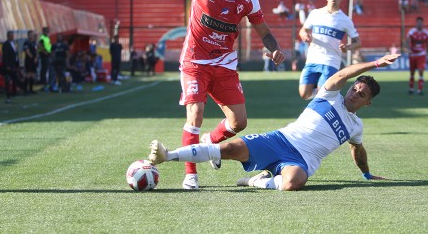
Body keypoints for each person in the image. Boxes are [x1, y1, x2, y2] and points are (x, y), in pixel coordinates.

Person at [120, 0, 285, 189]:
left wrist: (276, 49)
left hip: (225, 65)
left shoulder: (248, 0)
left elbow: (264, 32)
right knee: (195, 114)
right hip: (195, 62)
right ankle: (191, 176)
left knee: (239, 123)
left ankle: (211, 141)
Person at [147, 54, 400, 191]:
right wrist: (376, 62)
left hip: (302, 161)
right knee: (228, 150)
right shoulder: (329, 94)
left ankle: (257, 181)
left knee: (293, 182)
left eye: (362, 94)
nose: (354, 93)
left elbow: (358, 150)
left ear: (368, 103)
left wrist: (366, 174)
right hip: (281, 140)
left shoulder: (356, 127)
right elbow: (344, 74)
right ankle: (166, 156)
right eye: (355, 89)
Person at [298, 0, 362, 100]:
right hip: (312, 59)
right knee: (304, 94)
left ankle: (324, 100)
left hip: (331, 61)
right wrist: (304, 35)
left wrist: (347, 47)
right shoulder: (315, 13)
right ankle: (323, 94)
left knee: (322, 95)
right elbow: (303, 30)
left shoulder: (345, 20)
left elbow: (358, 42)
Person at [407, 17, 428, 95]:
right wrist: (409, 49)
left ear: (422, 23)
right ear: (416, 23)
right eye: (418, 22)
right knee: (412, 72)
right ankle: (411, 88)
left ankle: (420, 90)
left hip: (421, 54)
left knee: (421, 71)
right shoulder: (412, 32)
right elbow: (408, 41)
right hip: (413, 54)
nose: (419, 24)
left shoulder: (426, 33)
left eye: (421, 22)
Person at [2, 30, 19, 103]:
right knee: (8, 80)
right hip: (9, 65)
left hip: (14, 64)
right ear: (8, 36)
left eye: (13, 35)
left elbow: (15, 54)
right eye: (11, 36)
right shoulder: (5, 44)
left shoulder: (14, 43)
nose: (12, 37)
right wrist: (7, 65)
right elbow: (5, 56)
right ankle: (8, 95)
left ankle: (14, 92)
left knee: (14, 79)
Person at [23, 30, 38, 94]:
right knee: (28, 74)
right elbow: (27, 51)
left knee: (33, 75)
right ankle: (26, 90)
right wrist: (33, 58)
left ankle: (31, 89)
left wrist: (36, 57)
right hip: (29, 60)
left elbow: (36, 51)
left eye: (32, 34)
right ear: (28, 35)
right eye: (30, 34)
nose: (32, 36)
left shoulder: (34, 42)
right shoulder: (26, 42)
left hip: (34, 60)